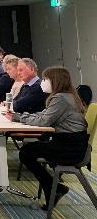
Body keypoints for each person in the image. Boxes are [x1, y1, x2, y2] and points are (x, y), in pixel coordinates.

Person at [7, 67, 88, 210]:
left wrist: (18, 117)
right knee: (28, 151)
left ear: (55, 81)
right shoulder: (66, 95)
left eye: (45, 79)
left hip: (70, 148)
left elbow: (43, 121)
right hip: (73, 143)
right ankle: (52, 187)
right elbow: (42, 115)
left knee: (26, 153)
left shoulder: (60, 98)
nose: (42, 82)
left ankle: (53, 187)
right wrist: (19, 116)